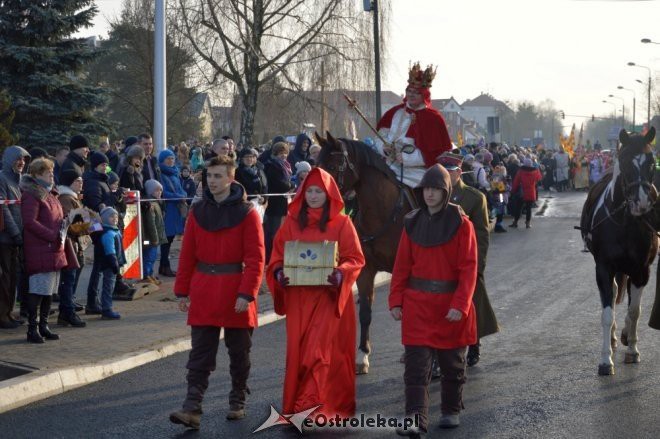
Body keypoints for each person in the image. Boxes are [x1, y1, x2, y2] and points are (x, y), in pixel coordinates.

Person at [169, 155, 265, 430]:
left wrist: (247, 293)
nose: (212, 181)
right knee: (200, 353)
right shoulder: (198, 211)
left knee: (239, 351)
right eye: (209, 176)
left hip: (235, 289)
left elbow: (256, 258)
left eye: (218, 176)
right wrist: (182, 291)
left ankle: (237, 400)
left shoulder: (247, 213)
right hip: (203, 289)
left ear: (231, 179)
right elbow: (187, 255)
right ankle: (192, 408)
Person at [266, 167, 365, 419]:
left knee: (317, 352)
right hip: (299, 300)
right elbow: (276, 257)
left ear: (329, 193)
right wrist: (279, 274)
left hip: (328, 298)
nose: (312, 195)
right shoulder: (290, 223)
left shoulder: (343, 223)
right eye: (308, 190)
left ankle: (311, 407)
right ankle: (302, 404)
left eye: (318, 191)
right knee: (299, 353)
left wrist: (341, 273)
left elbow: (355, 258)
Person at [389, 164, 477, 434]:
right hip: (417, 306)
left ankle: (451, 409)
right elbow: (402, 265)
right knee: (415, 367)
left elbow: (469, 268)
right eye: (426, 188)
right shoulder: (411, 223)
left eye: (436, 189)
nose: (429, 194)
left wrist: (460, 305)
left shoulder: (462, 225)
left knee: (452, 365)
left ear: (445, 191)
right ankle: (415, 419)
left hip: (450, 307)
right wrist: (395, 300)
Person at [439, 152, 499, 367]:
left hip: (467, 260)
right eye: (443, 171)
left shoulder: (474, 197)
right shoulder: (434, 194)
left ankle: (474, 343)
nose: (446, 174)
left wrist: (478, 265)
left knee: (473, 303)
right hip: (441, 261)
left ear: (459, 173)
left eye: (450, 171)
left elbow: (482, 234)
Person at [373, 62, 452, 187]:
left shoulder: (434, 119)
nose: (411, 94)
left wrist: (406, 158)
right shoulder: (394, 112)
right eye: (409, 91)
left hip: (416, 171)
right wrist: (384, 147)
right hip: (386, 164)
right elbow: (379, 136)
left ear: (424, 94)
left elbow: (437, 154)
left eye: (416, 92)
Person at [21, 158, 69, 343]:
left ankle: (44, 326)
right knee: (38, 290)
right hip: (41, 247)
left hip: (54, 248)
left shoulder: (50, 194)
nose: (51, 174)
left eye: (51, 171)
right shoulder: (32, 194)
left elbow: (57, 217)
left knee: (49, 291)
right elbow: (29, 222)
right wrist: (51, 235)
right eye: (47, 171)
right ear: (37, 174)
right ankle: (32, 329)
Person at [0, 146, 30, 329]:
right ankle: (2, 315)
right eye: (18, 159)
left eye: (24, 160)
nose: (22, 163)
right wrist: (16, 233)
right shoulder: (2, 179)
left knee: (12, 278)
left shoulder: (18, 181)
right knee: (5, 278)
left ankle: (9, 313)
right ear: (10, 159)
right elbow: (4, 209)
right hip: (5, 238)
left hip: (15, 239)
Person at [56, 168, 89, 327]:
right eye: (78, 180)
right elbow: (71, 225)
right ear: (70, 182)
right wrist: (90, 225)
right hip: (70, 245)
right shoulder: (66, 198)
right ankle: (67, 312)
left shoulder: (73, 197)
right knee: (68, 279)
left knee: (71, 279)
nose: (81, 183)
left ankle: (67, 309)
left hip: (75, 245)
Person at [92, 207, 126, 319]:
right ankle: (107, 309)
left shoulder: (113, 229)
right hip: (110, 264)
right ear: (105, 218)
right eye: (112, 217)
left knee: (109, 286)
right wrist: (114, 263)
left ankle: (106, 307)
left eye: (116, 217)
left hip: (110, 263)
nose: (115, 219)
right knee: (108, 287)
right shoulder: (109, 233)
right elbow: (110, 250)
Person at [263, 142, 294, 263]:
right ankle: (270, 257)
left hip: (282, 202)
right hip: (274, 204)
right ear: (275, 153)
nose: (284, 155)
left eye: (285, 153)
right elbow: (279, 184)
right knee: (273, 232)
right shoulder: (272, 165)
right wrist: (292, 185)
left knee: (279, 231)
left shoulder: (284, 165)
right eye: (281, 153)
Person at [158, 149, 187, 277]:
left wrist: (183, 195)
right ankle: (165, 266)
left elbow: (181, 188)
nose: (171, 161)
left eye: (172, 158)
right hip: (167, 209)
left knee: (169, 240)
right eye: (168, 159)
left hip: (176, 209)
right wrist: (178, 196)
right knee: (166, 240)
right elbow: (163, 193)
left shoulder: (175, 173)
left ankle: (163, 266)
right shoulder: (160, 174)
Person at [142, 180, 167, 285]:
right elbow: (151, 224)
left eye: (160, 190)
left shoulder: (156, 203)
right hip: (151, 237)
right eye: (157, 190)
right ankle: (146, 275)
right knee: (149, 257)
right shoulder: (151, 204)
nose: (159, 192)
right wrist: (155, 238)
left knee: (152, 257)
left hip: (155, 236)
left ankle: (150, 274)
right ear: (151, 191)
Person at [510, 158, 542, 229]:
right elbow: (539, 178)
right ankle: (528, 223)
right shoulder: (535, 171)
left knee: (519, 208)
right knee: (529, 209)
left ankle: (515, 222)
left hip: (522, 192)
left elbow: (516, 182)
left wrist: (513, 191)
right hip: (531, 192)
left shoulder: (520, 171)